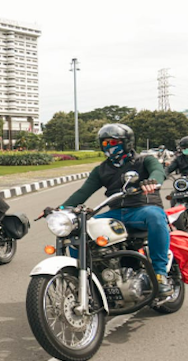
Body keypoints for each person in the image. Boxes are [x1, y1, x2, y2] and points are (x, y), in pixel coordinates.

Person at [57, 123, 173, 296]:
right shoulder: (101, 170)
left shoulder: (145, 160)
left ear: (127, 142)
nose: (109, 147)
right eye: (105, 143)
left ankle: (159, 274)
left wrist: (152, 182)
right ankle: (84, 276)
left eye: (113, 142)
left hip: (143, 208)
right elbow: (83, 192)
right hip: (116, 213)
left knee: (155, 217)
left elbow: (158, 171)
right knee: (79, 227)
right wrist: (60, 209)